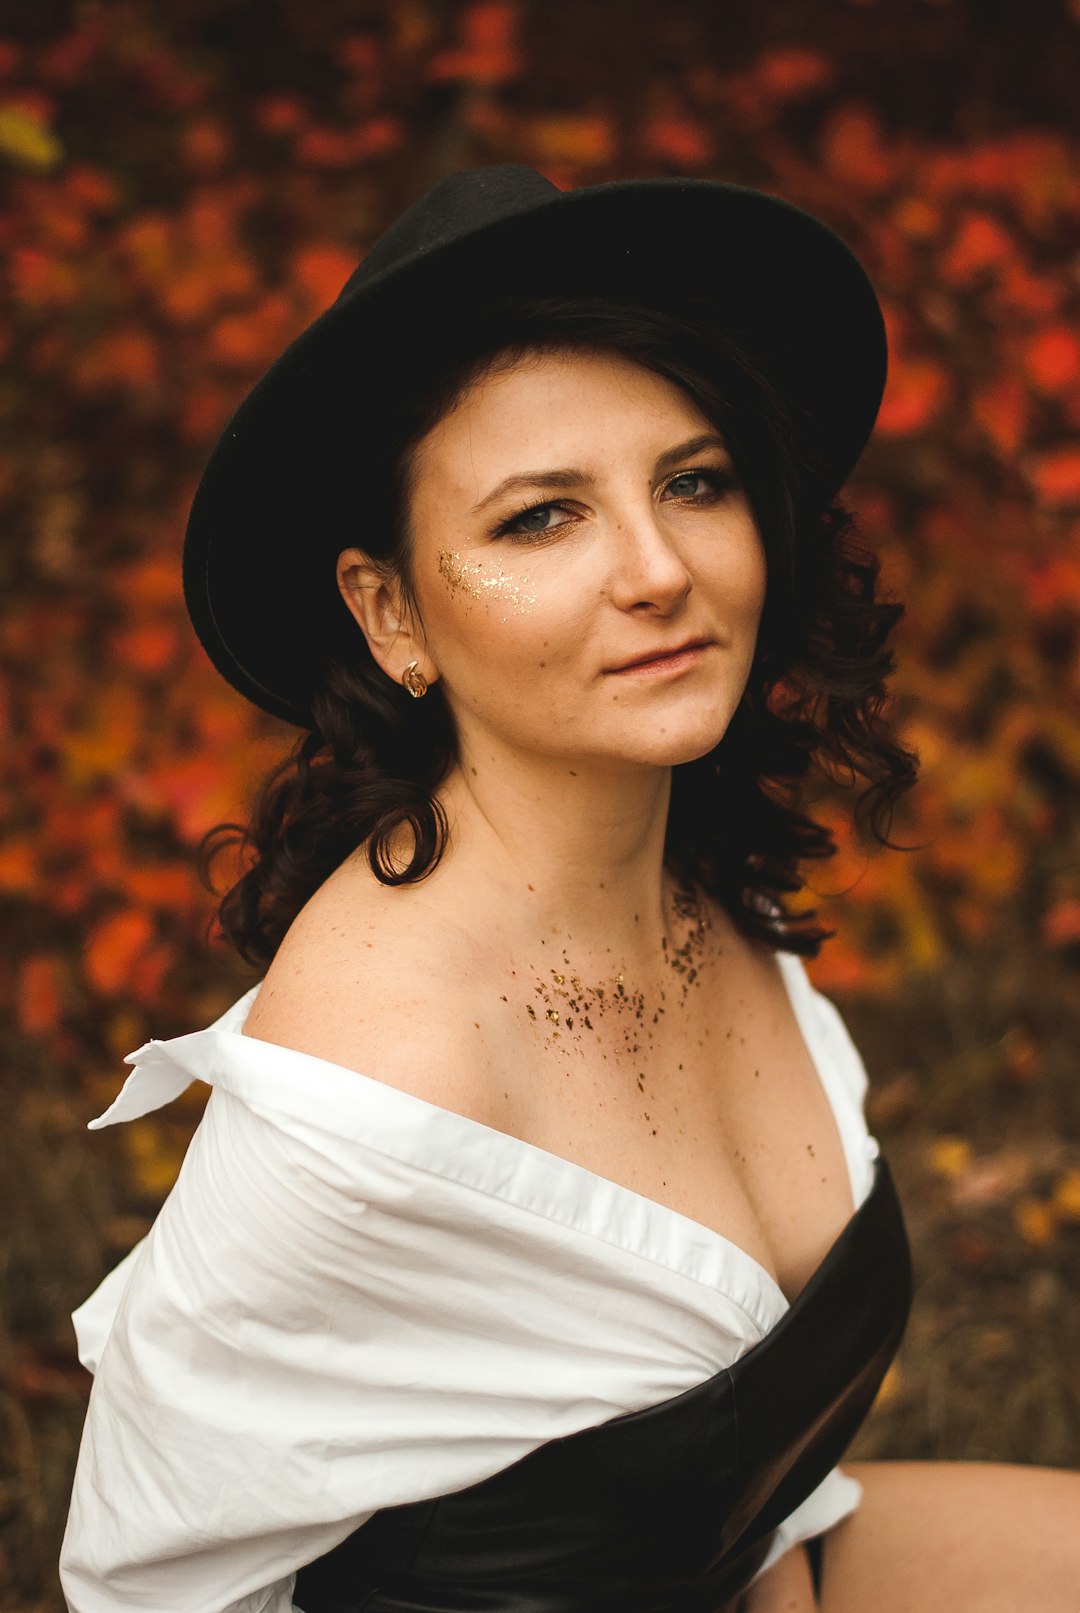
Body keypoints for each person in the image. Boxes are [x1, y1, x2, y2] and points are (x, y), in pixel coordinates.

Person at [60, 165, 1080, 1613]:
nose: (659, 568)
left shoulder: (697, 881)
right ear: (394, 612)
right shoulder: (380, 1076)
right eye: (544, 517)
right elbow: (141, 1579)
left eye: (694, 481)